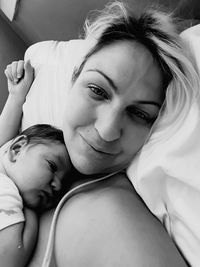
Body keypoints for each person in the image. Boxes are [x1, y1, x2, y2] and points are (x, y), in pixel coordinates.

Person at [9, 1, 200, 266]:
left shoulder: (107, 215)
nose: (107, 130)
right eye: (98, 91)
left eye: (140, 114)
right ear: (73, 80)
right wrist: (16, 96)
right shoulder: (27, 158)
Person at [0, 61, 70, 267]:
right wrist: (16, 96)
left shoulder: (6, 189)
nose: (57, 186)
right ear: (17, 149)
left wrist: (16, 96)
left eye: (63, 183)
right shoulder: (6, 188)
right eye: (52, 166)